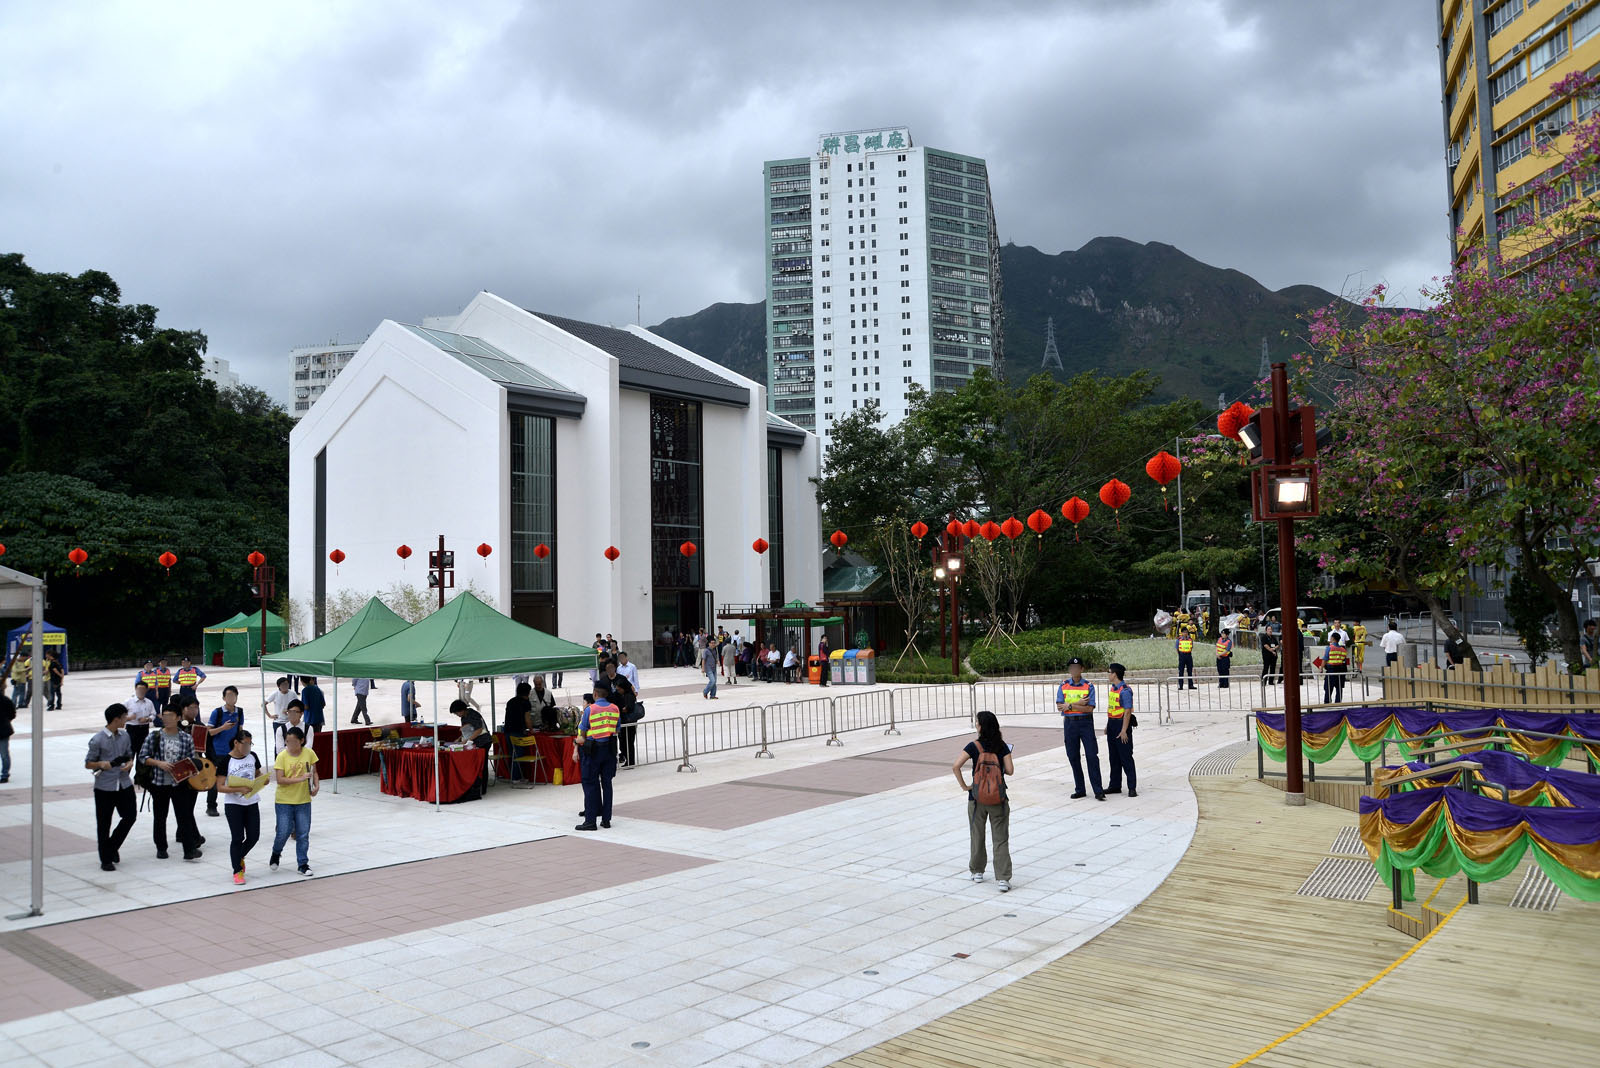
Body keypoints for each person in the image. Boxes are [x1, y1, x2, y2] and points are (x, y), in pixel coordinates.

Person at [952, 709, 1014, 892]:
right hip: (999, 798)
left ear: (980, 727)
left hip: (977, 798)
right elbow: (1010, 771)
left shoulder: (973, 746)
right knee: (1000, 838)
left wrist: (966, 787)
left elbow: (955, 766)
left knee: (977, 835)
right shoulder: (1002, 746)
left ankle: (977, 871)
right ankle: (1003, 878)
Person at [140, 704, 202, 861]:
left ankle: (189, 850)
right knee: (160, 817)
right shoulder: (154, 736)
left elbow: (190, 760)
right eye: (164, 716)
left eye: (170, 716)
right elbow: (143, 757)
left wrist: (185, 768)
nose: (166, 719)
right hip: (159, 783)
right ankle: (161, 848)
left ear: (178, 718)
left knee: (184, 816)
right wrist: (159, 763)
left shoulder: (186, 738)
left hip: (179, 784)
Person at [85, 704, 138, 871]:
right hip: (104, 787)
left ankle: (112, 846)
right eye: (124, 717)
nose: (126, 719)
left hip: (124, 783)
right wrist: (101, 764)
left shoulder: (125, 736)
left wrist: (130, 763)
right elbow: (88, 763)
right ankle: (105, 859)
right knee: (104, 824)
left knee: (130, 816)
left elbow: (129, 755)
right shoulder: (97, 739)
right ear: (116, 719)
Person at [269, 727, 318, 877]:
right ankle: (276, 852)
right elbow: (280, 779)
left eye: (293, 741)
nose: (289, 744)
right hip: (284, 800)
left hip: (303, 800)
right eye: (287, 741)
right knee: (283, 831)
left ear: (302, 741)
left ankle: (302, 863)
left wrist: (316, 785)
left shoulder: (309, 753)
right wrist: (301, 778)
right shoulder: (282, 756)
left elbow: (314, 772)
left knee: (303, 833)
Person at [216, 730, 263, 884]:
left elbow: (257, 773)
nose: (248, 747)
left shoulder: (253, 756)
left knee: (254, 836)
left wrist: (262, 780)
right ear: (236, 743)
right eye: (245, 744)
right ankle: (237, 870)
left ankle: (239, 856)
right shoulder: (226, 761)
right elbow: (220, 787)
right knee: (237, 837)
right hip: (234, 804)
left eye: (250, 744)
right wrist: (238, 789)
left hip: (252, 802)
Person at [1056, 657, 1104, 801]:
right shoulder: (1063, 685)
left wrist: (1069, 705)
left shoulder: (1089, 686)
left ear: (1082, 669)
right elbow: (1059, 706)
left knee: (1091, 756)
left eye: (1077, 668)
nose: (1074, 670)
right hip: (1070, 724)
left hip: (1085, 723)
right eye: (1071, 668)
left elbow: (1089, 708)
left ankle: (1098, 790)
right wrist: (1078, 703)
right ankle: (1080, 789)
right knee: (1073, 756)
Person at [574, 688, 619, 831]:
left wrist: (576, 742)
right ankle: (606, 820)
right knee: (607, 784)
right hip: (610, 750)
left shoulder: (590, 710)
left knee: (590, 784)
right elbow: (617, 729)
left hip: (593, 750)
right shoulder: (615, 708)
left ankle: (590, 821)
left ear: (595, 694)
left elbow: (582, 733)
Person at [204, 685, 246, 817]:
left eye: (234, 696)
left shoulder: (239, 711)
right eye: (228, 696)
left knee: (236, 776)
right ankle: (211, 806)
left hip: (233, 751)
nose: (231, 698)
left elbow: (240, 730)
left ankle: (238, 802)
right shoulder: (217, 712)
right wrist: (223, 727)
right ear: (223, 698)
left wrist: (241, 745)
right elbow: (208, 732)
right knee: (216, 778)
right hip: (218, 751)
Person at [1103, 662, 1137, 798]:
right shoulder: (1113, 689)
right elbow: (1112, 708)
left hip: (1121, 725)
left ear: (1115, 674)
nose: (1108, 674)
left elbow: (1127, 711)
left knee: (1126, 757)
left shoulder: (1125, 690)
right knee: (1114, 757)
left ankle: (1132, 787)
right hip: (1112, 724)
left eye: (1109, 672)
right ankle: (1115, 785)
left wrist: (1123, 731)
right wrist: (1107, 726)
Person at [124, 681, 158, 762]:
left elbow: (153, 715)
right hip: (131, 730)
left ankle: (140, 773)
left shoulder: (149, 702)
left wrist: (147, 719)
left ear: (146, 690)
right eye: (139, 689)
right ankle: (126, 772)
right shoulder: (128, 702)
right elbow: (120, 716)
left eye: (143, 689)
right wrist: (129, 718)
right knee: (129, 754)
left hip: (144, 729)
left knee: (142, 753)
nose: (141, 691)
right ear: (135, 689)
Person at [265, 677, 294, 753]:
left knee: (290, 742)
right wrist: (270, 715)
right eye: (283, 685)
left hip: (289, 722)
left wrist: (289, 710)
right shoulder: (275, 694)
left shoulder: (292, 693)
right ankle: (278, 760)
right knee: (278, 744)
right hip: (278, 722)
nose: (285, 686)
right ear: (279, 686)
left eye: (287, 684)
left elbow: (297, 706)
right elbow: (263, 704)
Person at [1323, 635, 1349, 703]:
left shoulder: (1329, 648)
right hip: (1340, 670)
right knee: (1339, 687)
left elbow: (1325, 659)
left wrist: (1321, 668)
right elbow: (1344, 660)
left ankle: (1327, 701)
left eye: (1331, 637)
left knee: (1328, 687)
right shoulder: (1343, 649)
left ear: (1333, 638)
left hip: (1331, 670)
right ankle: (1338, 702)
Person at [0, 690, 14, 784]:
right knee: (4, 754)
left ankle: (5, 774)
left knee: (4, 754)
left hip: (3, 730)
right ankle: (5, 774)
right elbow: (12, 714)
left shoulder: (5, 700)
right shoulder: (6, 700)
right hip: (4, 729)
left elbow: (12, 713)